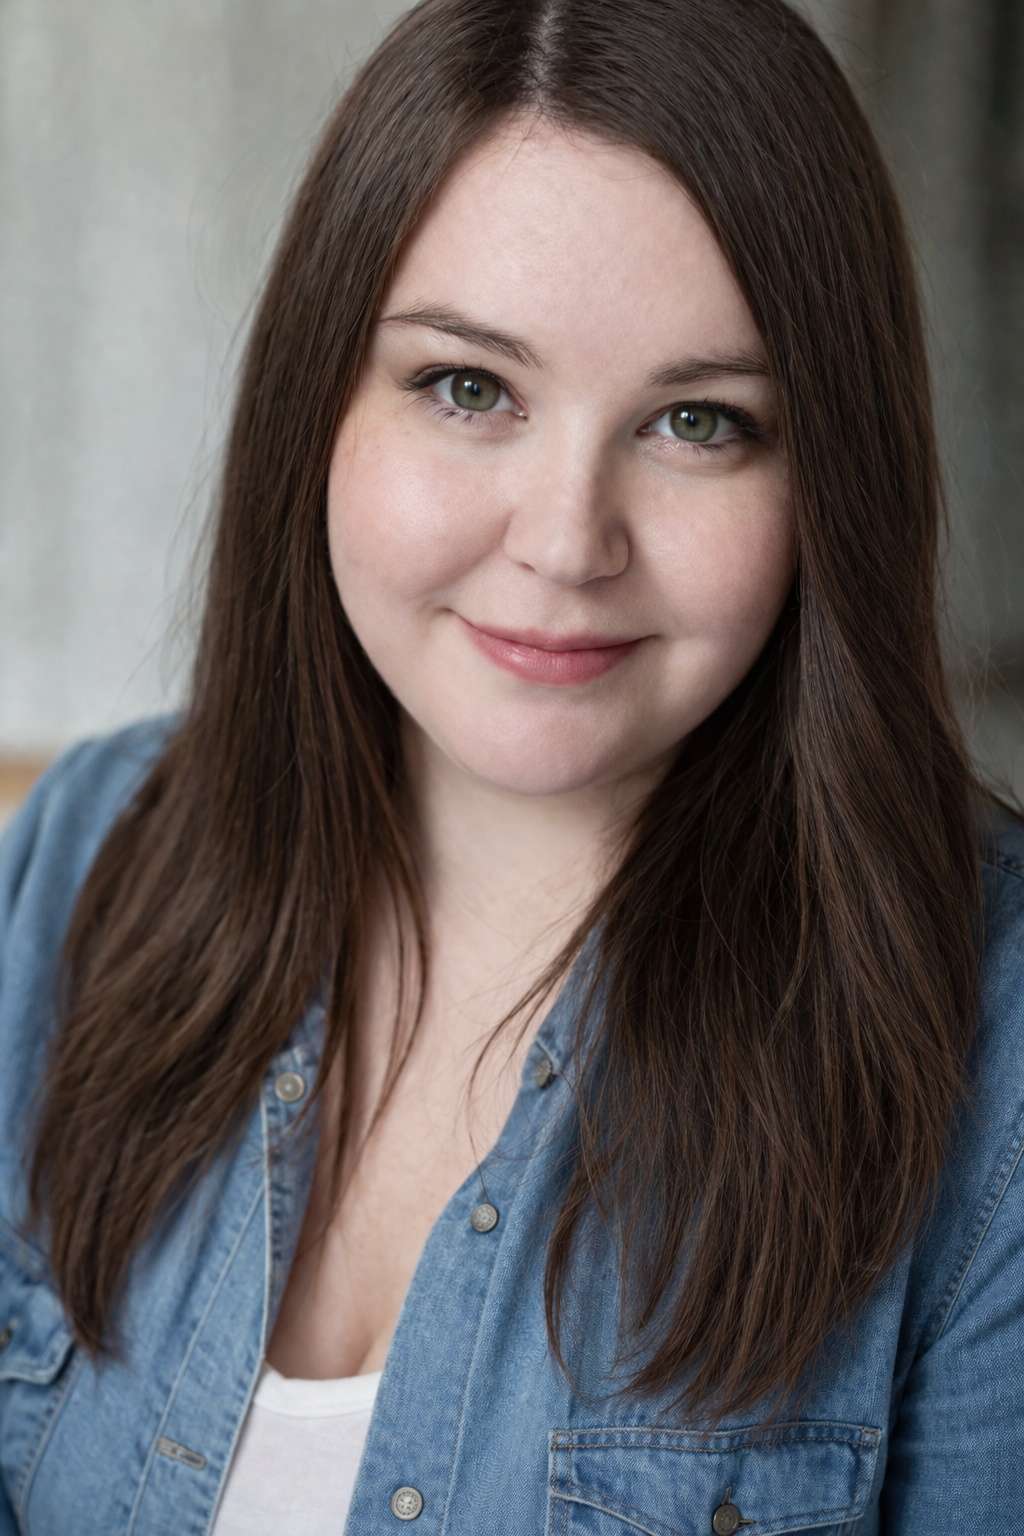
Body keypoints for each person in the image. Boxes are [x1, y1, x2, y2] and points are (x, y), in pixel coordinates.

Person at [1, 0, 1021, 1530]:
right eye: (469, 388)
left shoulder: (993, 1049)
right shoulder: (73, 859)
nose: (564, 542)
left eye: (699, 422)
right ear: (317, 408)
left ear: (831, 483)